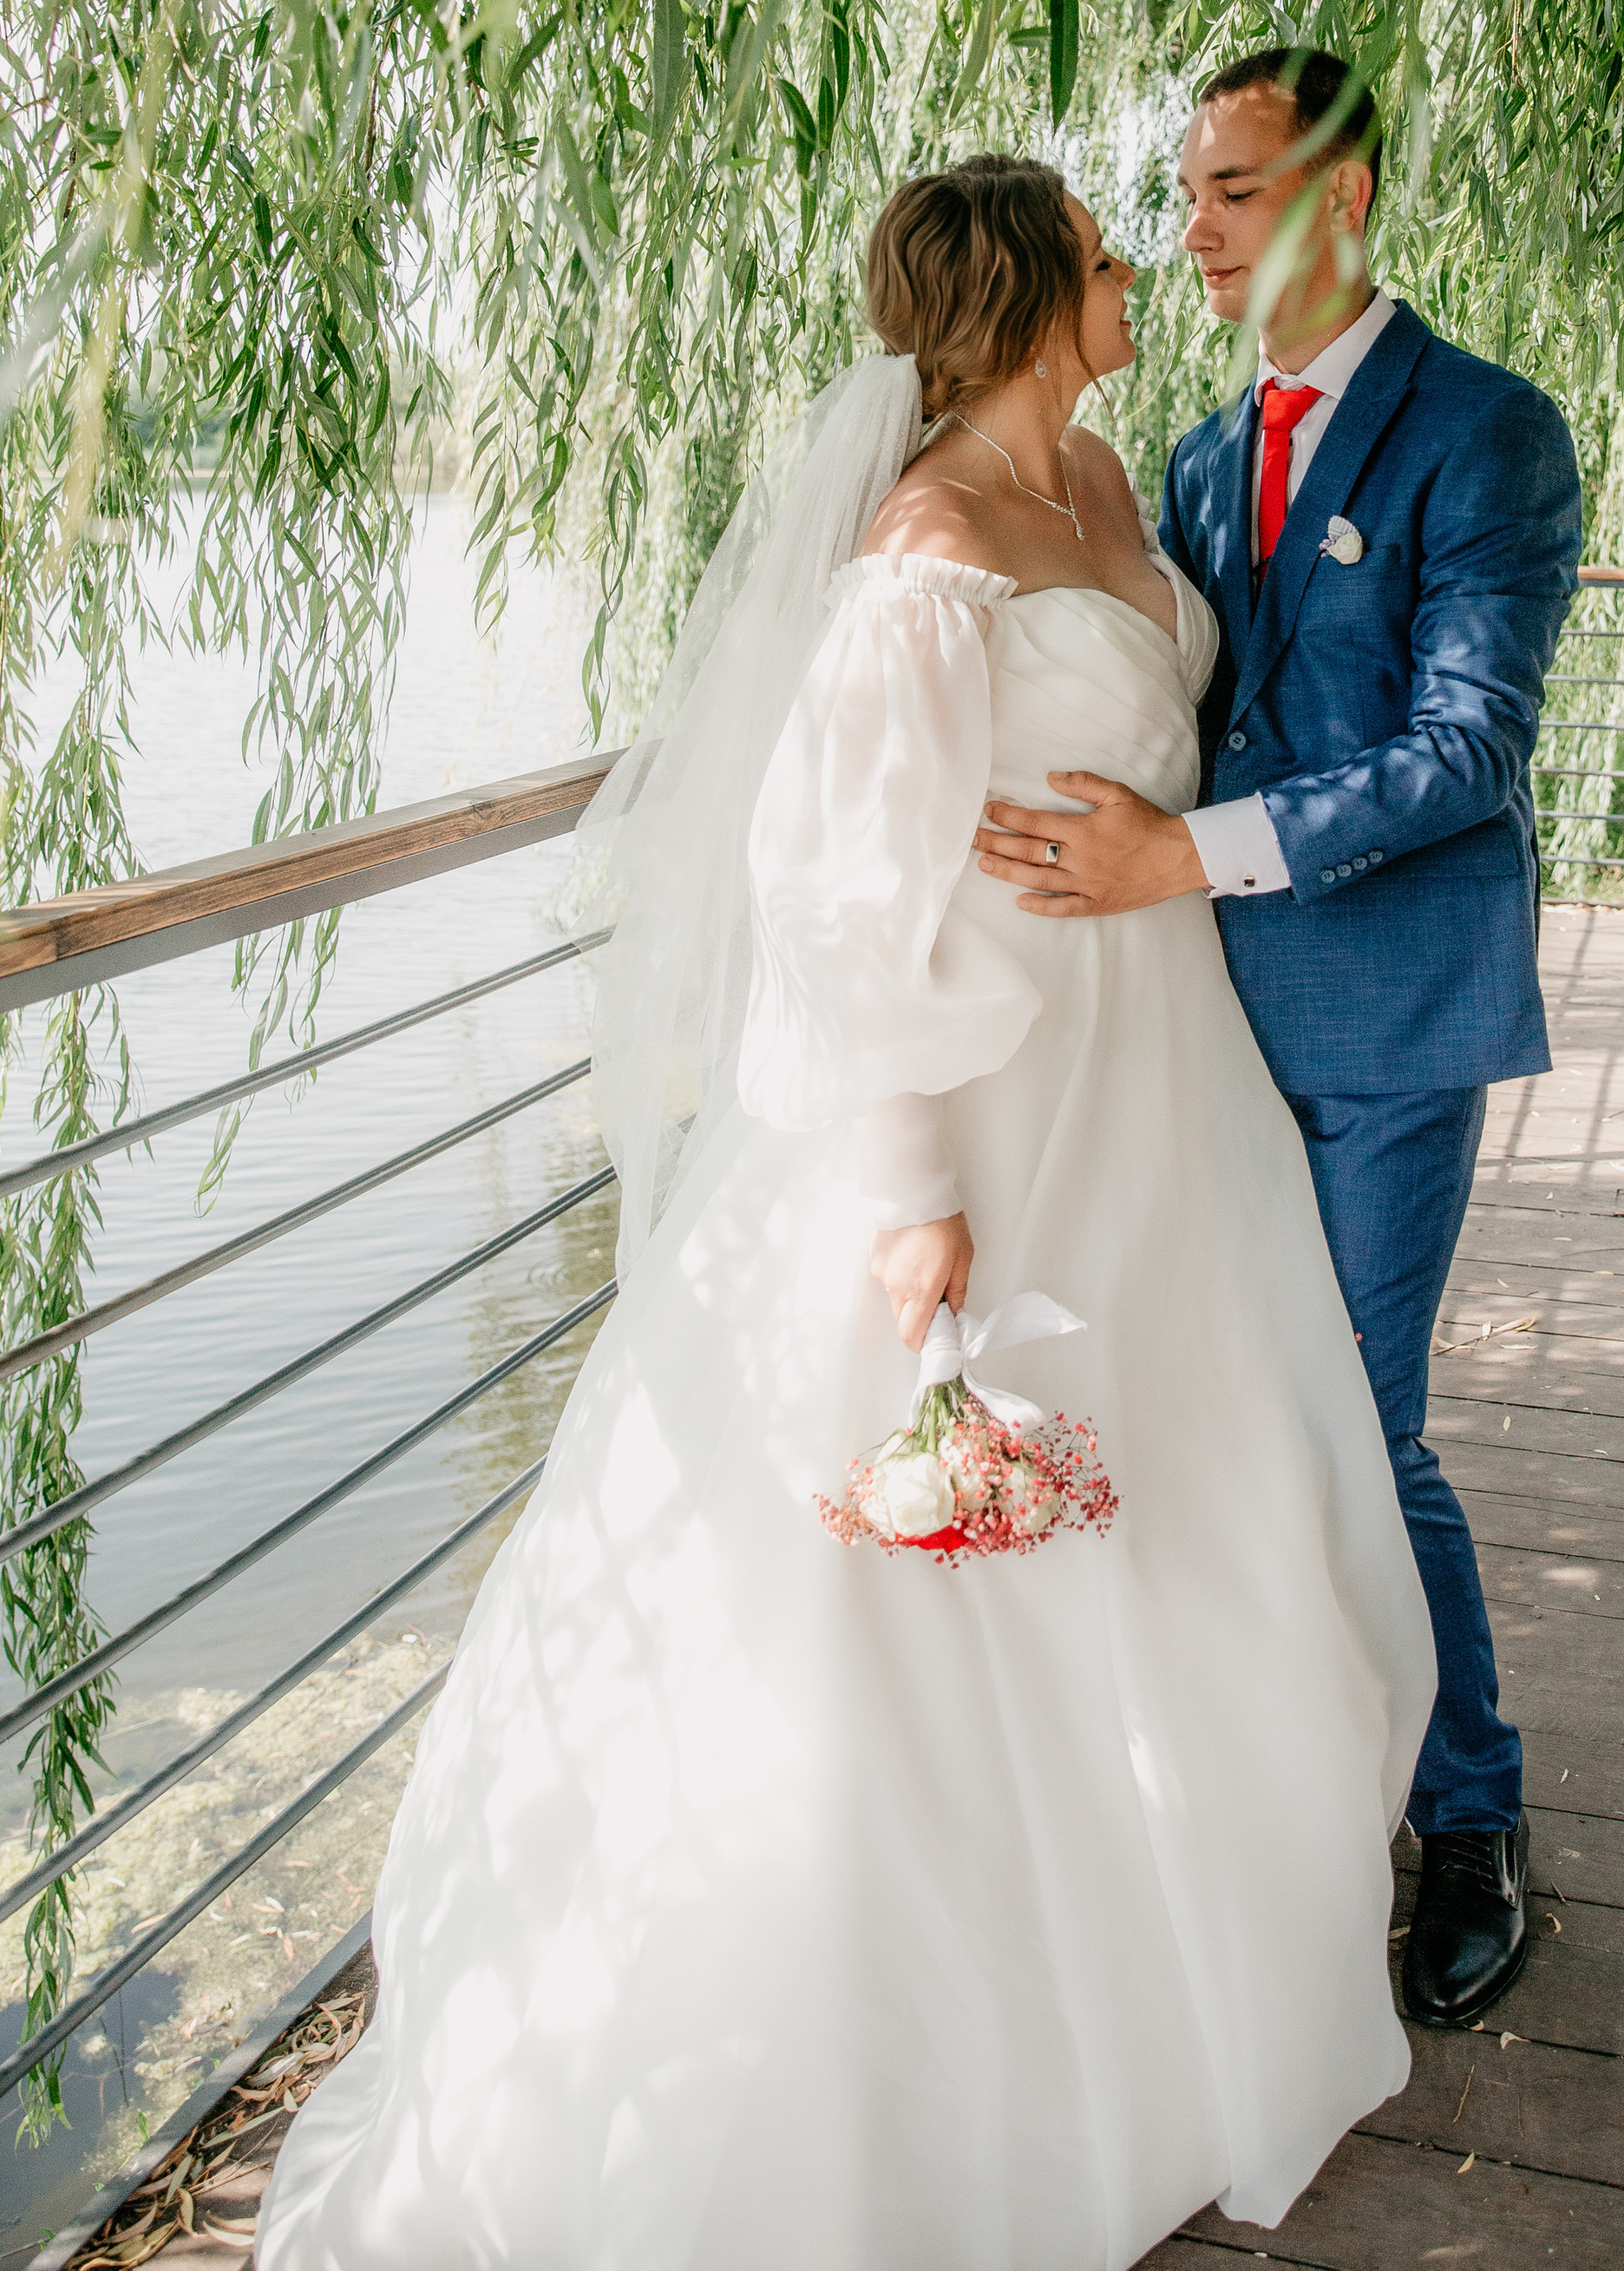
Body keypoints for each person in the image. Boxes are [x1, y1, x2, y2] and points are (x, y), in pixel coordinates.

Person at [255, 154, 1433, 2271]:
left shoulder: (1105, 500)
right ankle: (907, 2055)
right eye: (1099, 252)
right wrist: (904, 1190)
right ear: (1023, 299)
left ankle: (1161, 1969)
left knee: (1167, 1495)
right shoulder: (925, 546)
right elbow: (834, 890)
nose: (1134, 270)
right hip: (986, 1104)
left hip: (1156, 1080)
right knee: (931, 1579)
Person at [974, 56, 1581, 2028]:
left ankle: (1467, 1819)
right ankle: (1274, 1803)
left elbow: (1465, 750)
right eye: (1189, 193)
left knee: (1358, 1432)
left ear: (1347, 193)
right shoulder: (1191, 451)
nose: (1198, 231)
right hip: (1193, 1035)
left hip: (1386, 1022)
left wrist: (1181, 855)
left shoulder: (1485, 436)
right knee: (1227, 1426)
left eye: (1233, 190)